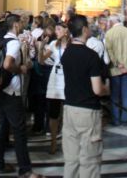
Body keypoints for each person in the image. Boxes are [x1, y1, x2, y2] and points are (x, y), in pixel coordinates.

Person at [61, 14, 110, 178]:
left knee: (71, 159)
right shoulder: (91, 56)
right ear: (84, 30)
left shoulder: (66, 53)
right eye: (88, 26)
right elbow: (97, 89)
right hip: (87, 111)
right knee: (90, 159)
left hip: (69, 108)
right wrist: (107, 90)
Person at [0, 14, 34, 177]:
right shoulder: (14, 42)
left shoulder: (1, 40)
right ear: (15, 25)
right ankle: (25, 169)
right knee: (19, 131)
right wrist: (20, 69)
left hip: (0, 89)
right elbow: (7, 64)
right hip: (12, 91)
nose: (23, 25)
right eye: (21, 22)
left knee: (2, 128)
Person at [43, 20, 70, 154]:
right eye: (56, 29)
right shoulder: (54, 44)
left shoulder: (72, 45)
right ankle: (53, 140)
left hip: (68, 79)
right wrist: (40, 47)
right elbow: (42, 59)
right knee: (53, 113)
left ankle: (66, 140)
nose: (56, 32)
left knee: (67, 112)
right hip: (55, 80)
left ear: (66, 31)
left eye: (59, 29)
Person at [105, 14, 127, 126]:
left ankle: (116, 119)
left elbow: (109, 51)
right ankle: (125, 120)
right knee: (126, 95)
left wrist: (118, 64)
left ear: (112, 22)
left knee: (115, 95)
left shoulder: (109, 33)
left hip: (115, 68)